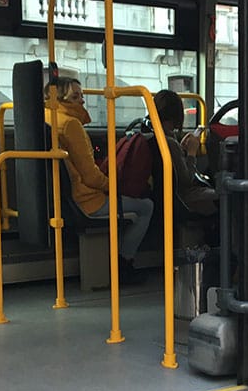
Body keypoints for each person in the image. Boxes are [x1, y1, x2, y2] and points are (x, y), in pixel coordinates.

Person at [49, 77, 153, 283]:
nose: (82, 101)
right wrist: (112, 185)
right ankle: (124, 262)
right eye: (75, 96)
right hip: (88, 200)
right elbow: (90, 176)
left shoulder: (50, 117)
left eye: (82, 95)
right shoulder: (71, 125)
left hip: (71, 196)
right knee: (146, 206)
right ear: (61, 99)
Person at [149, 89, 217, 217]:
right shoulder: (170, 143)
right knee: (221, 197)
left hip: (165, 195)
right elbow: (187, 180)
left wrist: (181, 149)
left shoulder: (156, 136)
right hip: (182, 198)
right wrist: (191, 153)